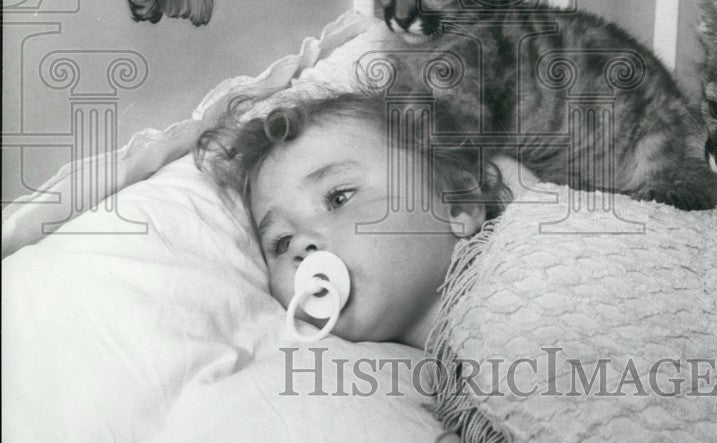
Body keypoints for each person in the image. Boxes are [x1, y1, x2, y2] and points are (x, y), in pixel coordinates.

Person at [196, 91, 509, 348]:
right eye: (281, 242)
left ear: (459, 205)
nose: (302, 244)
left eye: (338, 199)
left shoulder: (529, 268)